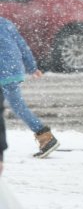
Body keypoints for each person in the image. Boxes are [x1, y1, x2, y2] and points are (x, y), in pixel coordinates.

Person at [0, 17, 59, 158]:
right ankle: (45, 136)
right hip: (13, 71)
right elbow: (22, 46)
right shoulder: (6, 23)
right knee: (19, 107)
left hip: (3, 72)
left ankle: (45, 136)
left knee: (18, 107)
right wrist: (32, 67)